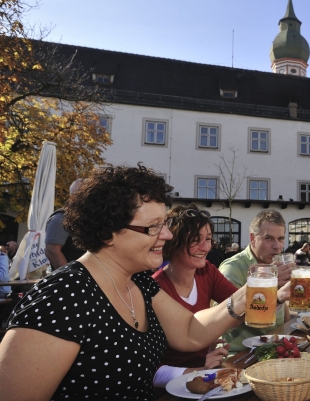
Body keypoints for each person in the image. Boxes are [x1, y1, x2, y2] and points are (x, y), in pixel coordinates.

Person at [0, 164, 248, 401]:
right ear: (108, 232)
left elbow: (189, 332)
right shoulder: (61, 296)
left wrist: (253, 291)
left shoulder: (139, 281)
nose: (168, 234)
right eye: (153, 227)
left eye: (165, 224)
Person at [151, 204, 291, 389]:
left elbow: (241, 310)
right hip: (178, 386)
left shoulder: (207, 271)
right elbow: (147, 370)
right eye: (195, 239)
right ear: (174, 240)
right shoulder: (154, 288)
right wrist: (198, 369)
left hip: (211, 373)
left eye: (208, 239)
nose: (205, 247)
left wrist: (277, 296)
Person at [218, 209, 294, 352]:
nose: (277, 246)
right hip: (240, 355)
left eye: (281, 239)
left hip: (273, 350)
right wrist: (272, 290)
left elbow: (282, 312)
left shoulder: (276, 266)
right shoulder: (233, 268)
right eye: (269, 238)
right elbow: (222, 323)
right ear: (253, 238)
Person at [44, 179, 86, 269]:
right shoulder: (60, 218)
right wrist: (70, 275)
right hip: (74, 278)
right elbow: (52, 251)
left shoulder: (87, 217)